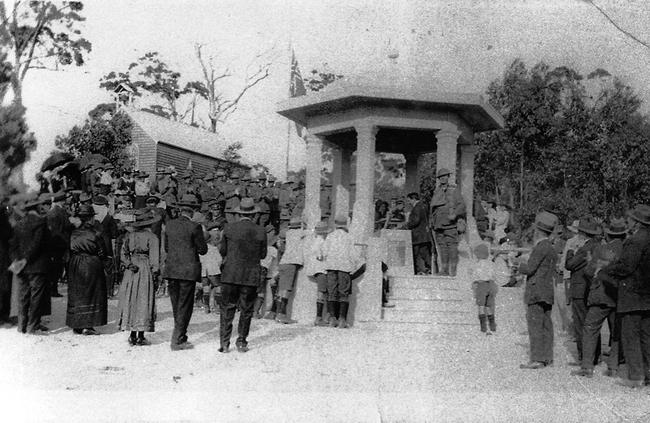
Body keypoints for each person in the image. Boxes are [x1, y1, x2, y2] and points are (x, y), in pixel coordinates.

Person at [600, 205, 650, 388]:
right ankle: (648, 376)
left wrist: (607, 269)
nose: (628, 221)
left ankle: (636, 378)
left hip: (632, 297)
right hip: (647, 297)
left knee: (631, 337)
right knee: (647, 338)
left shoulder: (635, 241)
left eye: (630, 219)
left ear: (636, 222)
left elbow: (626, 267)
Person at [571, 218, 626, 378]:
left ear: (608, 234)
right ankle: (613, 367)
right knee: (616, 332)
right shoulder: (626, 250)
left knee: (590, 328)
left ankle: (587, 367)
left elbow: (588, 272)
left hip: (600, 295)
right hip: (618, 296)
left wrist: (591, 263)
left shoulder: (601, 249)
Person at [218, 198, 267, 353]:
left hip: (230, 274)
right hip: (250, 275)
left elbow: (222, 251)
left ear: (239, 214)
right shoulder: (260, 230)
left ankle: (224, 343)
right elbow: (263, 254)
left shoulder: (228, 228)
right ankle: (241, 341)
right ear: (253, 214)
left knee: (227, 308)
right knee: (246, 310)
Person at [163, 197, 208, 351]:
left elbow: (167, 248)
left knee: (176, 304)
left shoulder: (169, 225)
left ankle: (180, 335)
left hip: (172, 268)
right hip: (188, 270)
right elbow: (203, 250)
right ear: (193, 211)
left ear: (180, 209)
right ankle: (177, 339)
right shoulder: (195, 227)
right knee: (185, 305)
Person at [517, 211, 558, 369]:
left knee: (535, 325)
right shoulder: (551, 248)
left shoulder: (540, 247)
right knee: (546, 325)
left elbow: (530, 269)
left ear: (538, 230)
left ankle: (537, 359)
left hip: (536, 291)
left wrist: (517, 265)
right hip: (547, 291)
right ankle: (547, 357)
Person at [117, 211, 160, 346]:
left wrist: (129, 264)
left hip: (132, 269)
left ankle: (132, 334)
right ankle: (140, 334)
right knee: (143, 298)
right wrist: (155, 273)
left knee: (131, 298)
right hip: (145, 267)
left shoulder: (129, 236)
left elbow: (123, 253)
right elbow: (154, 257)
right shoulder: (152, 237)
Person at [11, 196, 52, 334]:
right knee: (36, 296)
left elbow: (13, 246)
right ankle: (32, 326)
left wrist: (18, 260)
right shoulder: (41, 222)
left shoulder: (19, 223)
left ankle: (21, 326)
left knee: (23, 296)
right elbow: (39, 243)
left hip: (21, 267)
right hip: (37, 265)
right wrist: (27, 259)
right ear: (37, 207)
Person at [565, 216, 602, 366]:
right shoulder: (597, 246)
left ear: (581, 233)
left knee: (580, 324)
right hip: (590, 289)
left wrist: (571, 251)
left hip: (580, 290)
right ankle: (595, 356)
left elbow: (569, 265)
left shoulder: (583, 249)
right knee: (591, 325)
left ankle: (584, 357)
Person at [66, 204, 108, 335]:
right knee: (92, 293)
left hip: (75, 263)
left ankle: (77, 324)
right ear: (90, 218)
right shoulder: (95, 233)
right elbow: (102, 252)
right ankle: (88, 326)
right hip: (91, 263)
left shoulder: (73, 232)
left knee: (77, 293)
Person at [323, 215, 359, 329]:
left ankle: (332, 319)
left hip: (331, 267)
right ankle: (342, 320)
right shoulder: (349, 237)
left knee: (331, 292)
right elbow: (354, 255)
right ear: (346, 224)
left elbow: (324, 252)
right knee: (344, 294)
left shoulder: (330, 236)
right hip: (344, 267)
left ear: (335, 223)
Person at [429, 168, 465, 276]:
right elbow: (433, 208)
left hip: (450, 224)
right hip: (438, 223)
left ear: (448, 177)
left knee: (452, 246)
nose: (443, 178)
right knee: (442, 246)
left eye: (445, 176)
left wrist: (454, 214)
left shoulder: (454, 190)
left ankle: (453, 271)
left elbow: (461, 205)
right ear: (439, 179)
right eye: (441, 177)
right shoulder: (437, 191)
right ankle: (444, 270)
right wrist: (431, 222)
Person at [269, 216, 304, 324]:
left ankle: (275, 312)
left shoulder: (286, 234)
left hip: (283, 262)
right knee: (286, 290)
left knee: (281, 288)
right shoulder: (300, 233)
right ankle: (282, 314)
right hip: (291, 263)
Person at [46, 191, 72, 298]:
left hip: (56, 243)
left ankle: (53, 288)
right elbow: (63, 228)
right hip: (60, 243)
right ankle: (53, 289)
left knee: (56, 267)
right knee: (57, 267)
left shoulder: (54, 211)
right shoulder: (59, 212)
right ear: (62, 201)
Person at [304, 221, 330, 326]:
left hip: (315, 269)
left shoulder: (314, 241)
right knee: (322, 292)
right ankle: (318, 318)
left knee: (322, 292)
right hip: (321, 269)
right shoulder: (321, 242)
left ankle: (321, 317)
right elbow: (321, 257)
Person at [470, 243, 498, 334]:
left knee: (481, 306)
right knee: (489, 307)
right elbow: (494, 275)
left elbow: (475, 276)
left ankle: (483, 327)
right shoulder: (491, 264)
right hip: (491, 284)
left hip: (481, 285)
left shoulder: (477, 265)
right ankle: (492, 326)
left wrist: (473, 285)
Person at [404, 192, 433, 275]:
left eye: (409, 200)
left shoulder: (416, 208)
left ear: (413, 199)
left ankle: (420, 270)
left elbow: (416, 220)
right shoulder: (423, 206)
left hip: (418, 235)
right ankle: (428, 268)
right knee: (424, 253)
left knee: (417, 253)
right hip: (424, 235)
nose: (408, 202)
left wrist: (407, 225)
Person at [256, 225, 278, 319]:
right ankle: (256, 311)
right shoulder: (272, 249)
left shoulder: (259, 246)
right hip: (263, 270)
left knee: (259, 291)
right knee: (260, 292)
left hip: (259, 269)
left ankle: (255, 311)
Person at [199, 229, 223, 314]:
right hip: (213, 270)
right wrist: (218, 267)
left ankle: (206, 307)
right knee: (218, 288)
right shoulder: (213, 248)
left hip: (203, 271)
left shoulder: (200, 249)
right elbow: (219, 260)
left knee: (206, 288)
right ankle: (218, 307)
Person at [0, 202, 13, 325]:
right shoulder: (4, 223)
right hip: (3, 258)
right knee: (5, 286)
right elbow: (8, 234)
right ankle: (3, 315)